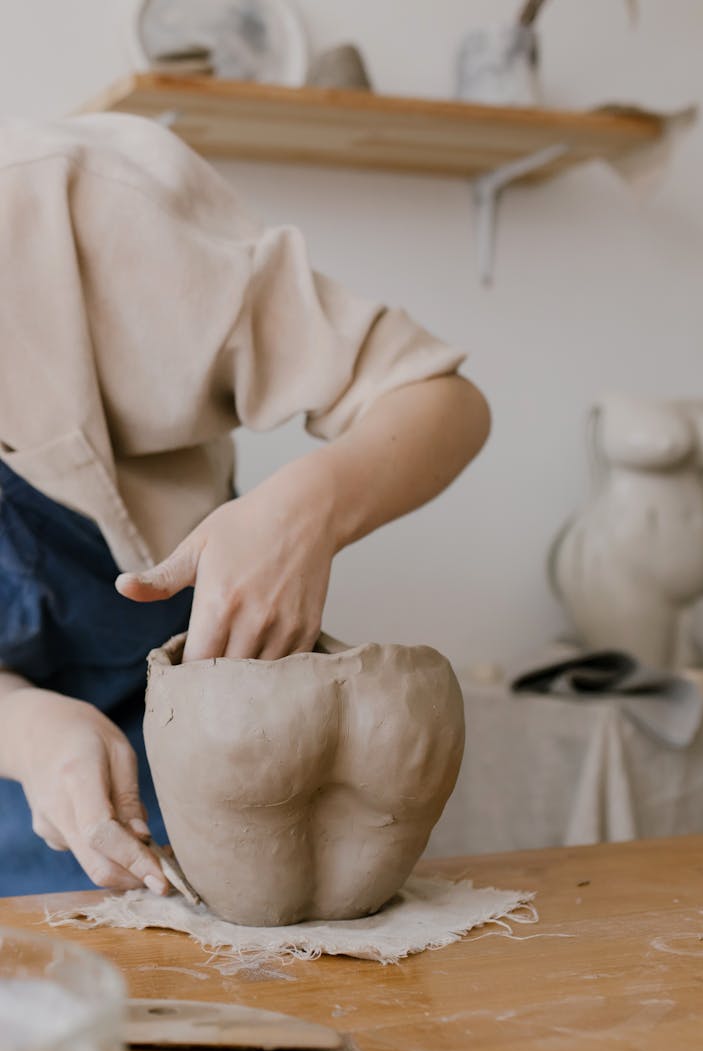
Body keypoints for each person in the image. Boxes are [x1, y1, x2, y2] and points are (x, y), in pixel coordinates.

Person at [0, 112, 490, 897]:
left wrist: (306, 508)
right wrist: (26, 731)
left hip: (197, 749)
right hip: (30, 778)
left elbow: (443, 401)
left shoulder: (71, 209)